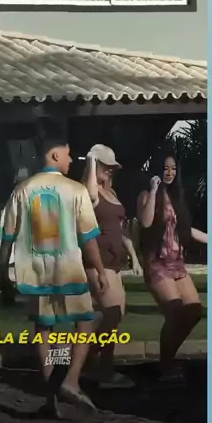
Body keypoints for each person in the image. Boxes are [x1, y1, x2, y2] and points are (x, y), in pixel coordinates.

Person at [0, 134, 108, 416]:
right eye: (68, 154)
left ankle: (51, 400)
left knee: (43, 331)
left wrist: (3, 273)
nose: (71, 160)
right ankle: (71, 380)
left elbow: (7, 236)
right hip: (69, 271)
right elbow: (89, 237)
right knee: (86, 322)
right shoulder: (76, 190)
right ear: (55, 155)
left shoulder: (22, 190)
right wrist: (99, 269)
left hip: (36, 274)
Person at [137, 147, 207, 383]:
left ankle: (167, 357)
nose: (169, 172)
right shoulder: (146, 195)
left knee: (194, 311)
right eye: (165, 168)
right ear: (156, 170)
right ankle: (166, 364)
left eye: (173, 168)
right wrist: (153, 189)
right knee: (176, 312)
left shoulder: (177, 197)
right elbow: (146, 222)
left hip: (177, 263)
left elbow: (185, 229)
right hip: (157, 263)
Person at [82, 144, 142, 388]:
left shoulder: (111, 193)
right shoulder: (88, 192)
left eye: (112, 168)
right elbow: (90, 194)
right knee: (112, 314)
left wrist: (134, 257)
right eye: (105, 166)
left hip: (116, 262)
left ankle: (97, 365)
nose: (109, 171)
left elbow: (122, 229)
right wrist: (91, 161)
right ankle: (89, 362)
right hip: (99, 261)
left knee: (116, 317)